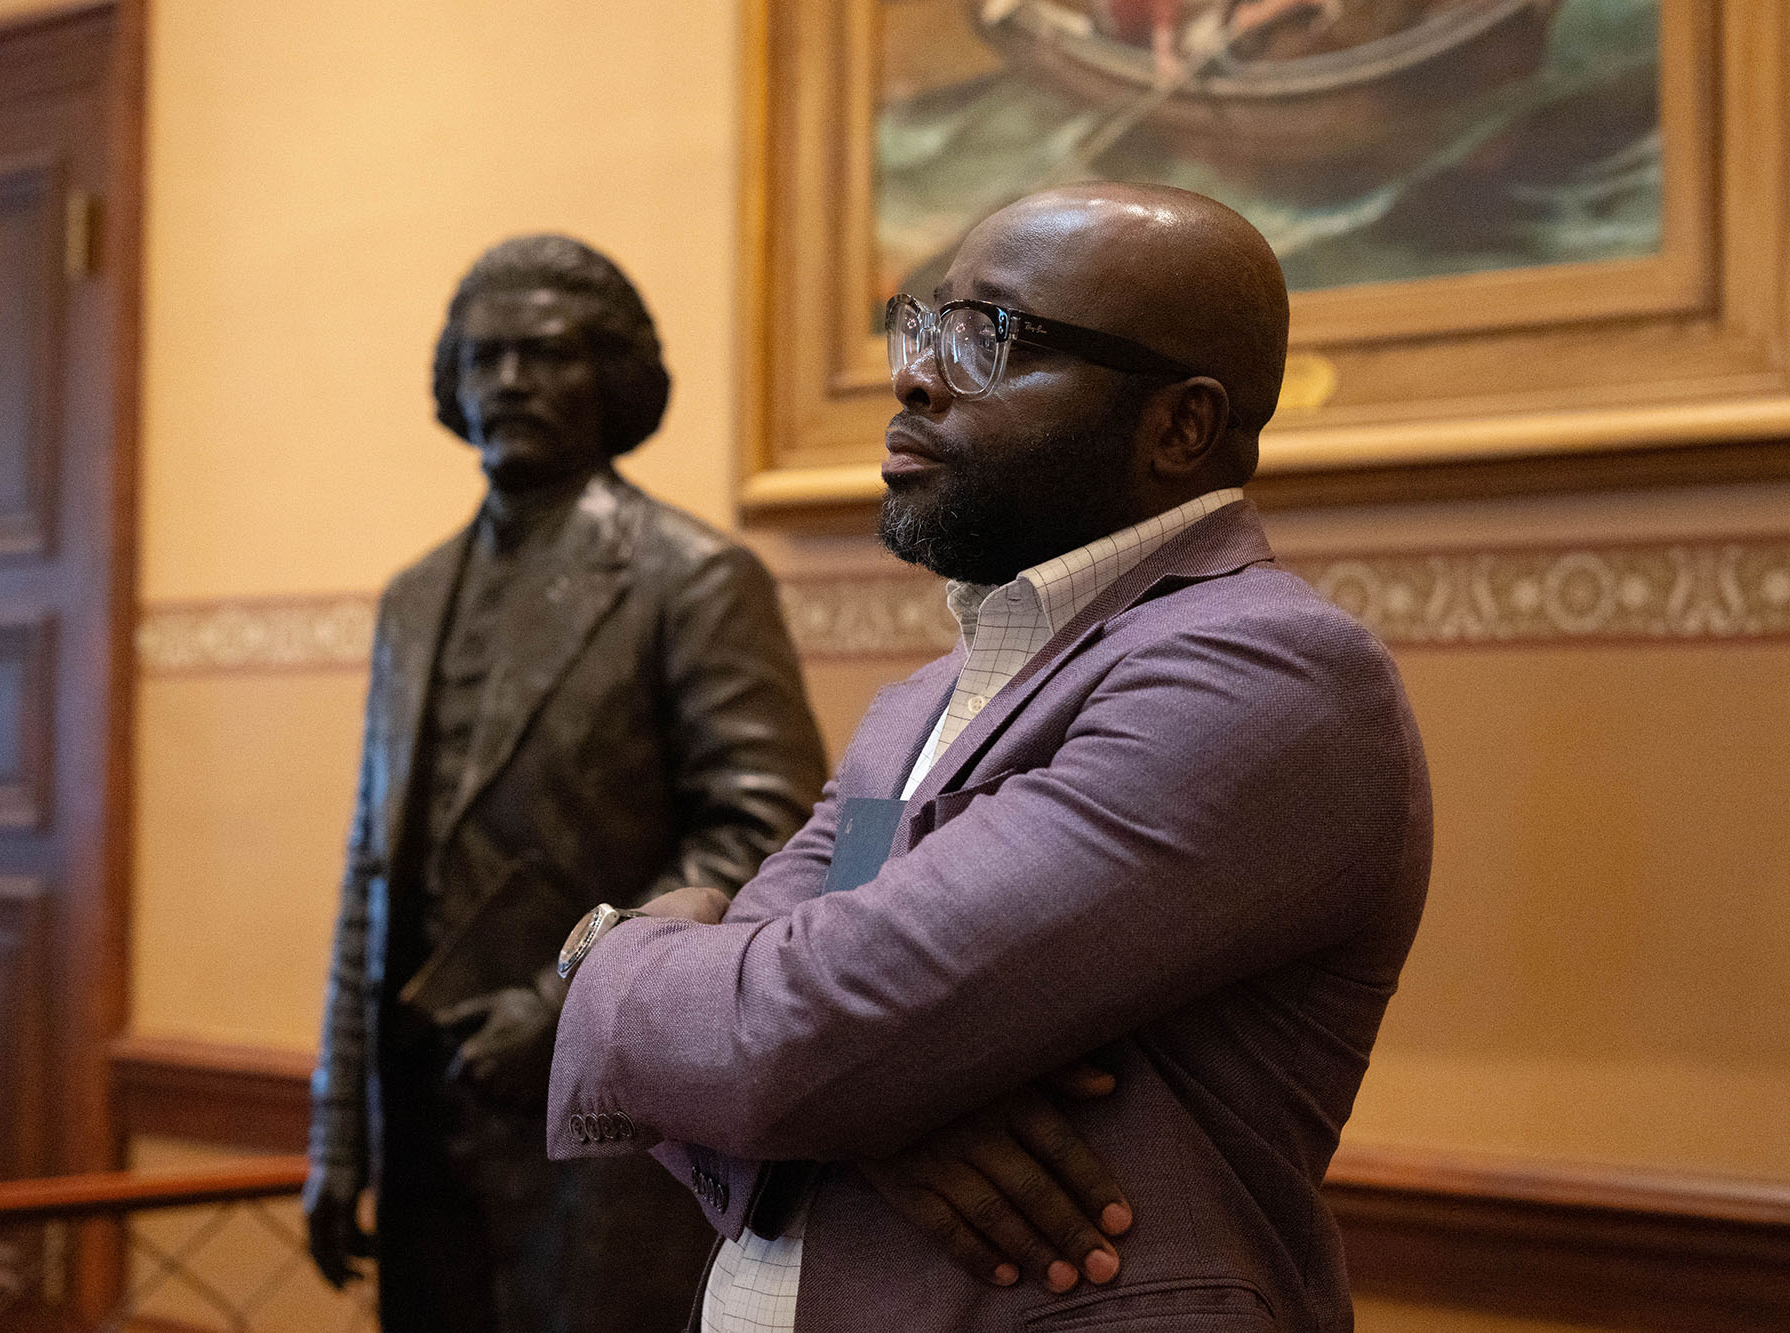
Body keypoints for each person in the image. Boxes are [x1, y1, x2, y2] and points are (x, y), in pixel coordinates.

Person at [546, 185, 1431, 1333]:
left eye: (991, 339)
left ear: (1180, 426)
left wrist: (607, 956)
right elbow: (782, 1047)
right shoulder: (916, 704)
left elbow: (786, 1031)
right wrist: (864, 1106)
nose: (914, 377)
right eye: (922, 327)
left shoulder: (1266, 675)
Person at [305, 235, 829, 1333]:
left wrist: (562, 1006)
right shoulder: (412, 597)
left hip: (605, 1129)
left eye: (544, 354)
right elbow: (370, 873)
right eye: (483, 357)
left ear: (614, 376)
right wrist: (337, 1132)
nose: (506, 382)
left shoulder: (691, 578)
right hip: (424, 1130)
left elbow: (763, 828)